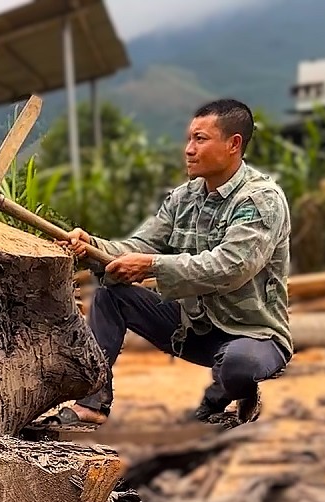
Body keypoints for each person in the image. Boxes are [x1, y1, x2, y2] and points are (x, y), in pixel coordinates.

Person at [50, 98, 292, 429]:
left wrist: (152, 266)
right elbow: (139, 245)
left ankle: (221, 397)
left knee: (238, 365)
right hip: (194, 328)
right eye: (189, 139)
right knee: (110, 295)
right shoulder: (184, 198)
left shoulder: (260, 199)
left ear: (234, 144)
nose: (189, 149)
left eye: (200, 139)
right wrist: (91, 246)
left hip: (254, 335)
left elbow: (232, 267)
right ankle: (93, 403)